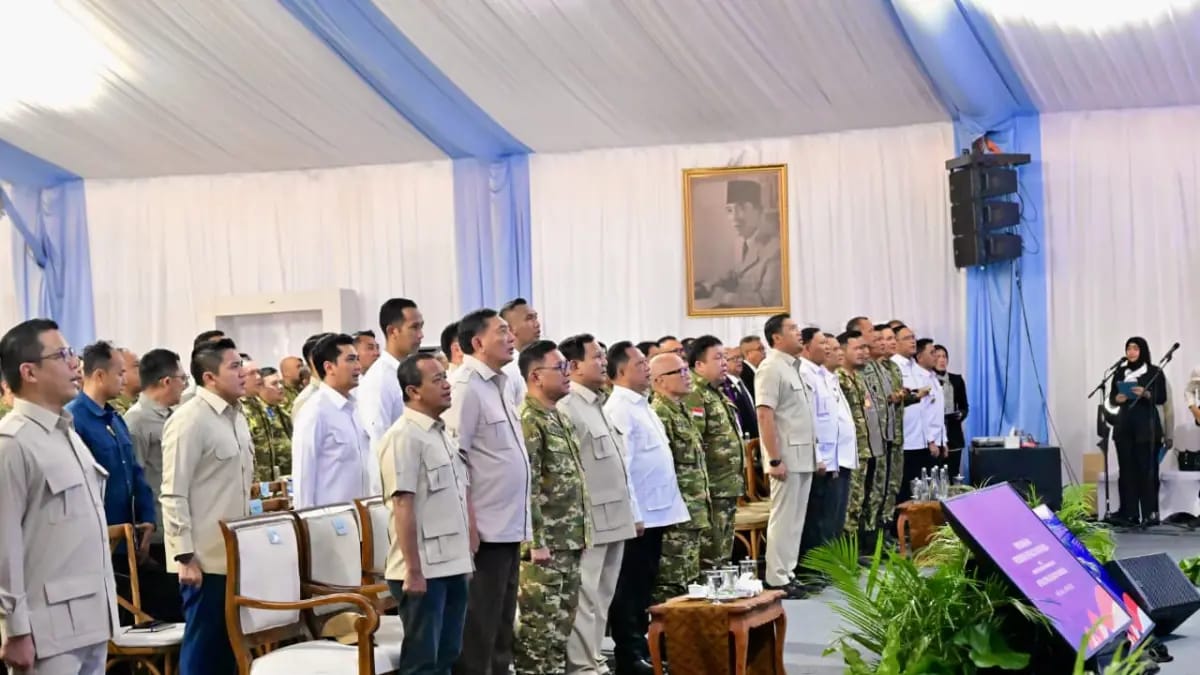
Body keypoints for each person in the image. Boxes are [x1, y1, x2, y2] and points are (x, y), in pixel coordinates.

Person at [0, 319, 119, 674]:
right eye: (62, 355)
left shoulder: (66, 434)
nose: (74, 364)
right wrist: (15, 629)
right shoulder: (12, 444)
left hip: (90, 619)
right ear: (29, 372)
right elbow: (4, 544)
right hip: (45, 630)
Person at [67, 342, 182, 623]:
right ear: (99, 375)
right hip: (101, 542)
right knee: (116, 622)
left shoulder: (114, 419)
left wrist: (148, 519)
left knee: (156, 615)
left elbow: (135, 472)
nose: (125, 379)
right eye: (119, 373)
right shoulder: (74, 420)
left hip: (131, 541)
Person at [445, 309, 532, 675]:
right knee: (479, 624)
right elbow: (456, 459)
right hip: (484, 528)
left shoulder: (501, 383)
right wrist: (469, 523)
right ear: (478, 342)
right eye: (502, 332)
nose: (511, 338)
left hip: (509, 524)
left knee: (501, 622)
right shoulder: (465, 387)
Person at [161, 338, 253, 675]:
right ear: (209, 377)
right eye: (234, 367)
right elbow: (173, 493)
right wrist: (184, 556)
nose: (243, 373)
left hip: (236, 554)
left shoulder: (237, 416)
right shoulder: (190, 420)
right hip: (204, 559)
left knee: (230, 649)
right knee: (203, 650)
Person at [379, 353, 473, 674]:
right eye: (437, 380)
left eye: (445, 377)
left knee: (448, 653)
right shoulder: (403, 436)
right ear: (413, 391)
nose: (447, 385)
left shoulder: (441, 433)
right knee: (422, 661)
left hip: (452, 563)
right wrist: (413, 570)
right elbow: (403, 504)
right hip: (423, 568)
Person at [556, 335, 639, 675]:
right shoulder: (567, 406)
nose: (604, 363)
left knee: (603, 594)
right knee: (585, 594)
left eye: (604, 357)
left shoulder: (598, 403)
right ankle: (581, 665)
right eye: (597, 357)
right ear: (574, 366)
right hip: (589, 517)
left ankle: (595, 658)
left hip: (614, 513)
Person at [603, 343, 687, 675]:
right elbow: (622, 468)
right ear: (622, 371)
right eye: (640, 364)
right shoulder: (619, 408)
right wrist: (633, 513)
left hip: (656, 511)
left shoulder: (642, 404)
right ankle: (630, 653)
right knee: (630, 588)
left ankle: (643, 650)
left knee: (644, 584)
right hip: (640, 516)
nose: (647, 368)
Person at [514, 342, 591, 675]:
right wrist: (536, 542)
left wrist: (582, 533)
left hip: (568, 540)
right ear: (536, 376)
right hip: (544, 547)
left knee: (561, 631)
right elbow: (527, 486)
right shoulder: (529, 420)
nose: (567, 373)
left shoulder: (559, 416)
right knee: (538, 634)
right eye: (560, 368)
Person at [755, 314, 815, 597]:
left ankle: (788, 572)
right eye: (792, 328)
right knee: (783, 518)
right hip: (785, 457)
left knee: (795, 520)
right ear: (776, 337)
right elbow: (765, 415)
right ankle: (777, 577)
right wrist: (774, 458)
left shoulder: (794, 367)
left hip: (802, 454)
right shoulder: (770, 368)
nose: (799, 332)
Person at [648, 353, 711, 603]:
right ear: (660, 380)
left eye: (686, 370)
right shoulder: (660, 413)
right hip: (676, 512)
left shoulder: (680, 409)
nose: (688, 376)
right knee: (672, 581)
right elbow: (663, 468)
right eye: (680, 372)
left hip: (693, 508)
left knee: (690, 577)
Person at [682, 336, 744, 571]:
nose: (724, 363)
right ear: (699, 365)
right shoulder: (694, 393)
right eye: (717, 358)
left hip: (726, 485)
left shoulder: (715, 391)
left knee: (722, 549)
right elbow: (694, 442)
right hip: (712, 487)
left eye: (725, 357)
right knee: (711, 553)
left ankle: (722, 586)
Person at [291, 334, 372, 509]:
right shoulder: (314, 411)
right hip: (332, 519)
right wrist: (307, 520)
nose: (358, 366)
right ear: (329, 367)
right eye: (350, 360)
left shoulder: (356, 408)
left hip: (362, 515)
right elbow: (303, 476)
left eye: (357, 359)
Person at [124, 348, 188, 560]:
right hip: (158, 532)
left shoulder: (175, 416)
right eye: (182, 379)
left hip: (179, 524)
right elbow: (134, 480)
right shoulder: (136, 421)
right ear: (166, 382)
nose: (185, 385)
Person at [358, 299, 425, 491]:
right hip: (397, 486)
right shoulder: (380, 378)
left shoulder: (411, 371)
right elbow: (379, 442)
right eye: (414, 327)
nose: (421, 334)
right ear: (392, 331)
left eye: (421, 327)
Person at [693, 180, 782, 308]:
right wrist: (707, 286)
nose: (734, 217)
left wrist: (724, 297)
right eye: (729, 210)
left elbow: (767, 303)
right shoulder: (740, 242)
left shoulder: (776, 249)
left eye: (742, 208)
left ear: (759, 211)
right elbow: (736, 274)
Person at [1109, 337, 1169, 526]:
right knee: (1126, 471)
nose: (1131, 352)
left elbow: (1162, 397)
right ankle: (1129, 513)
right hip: (1124, 427)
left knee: (1147, 471)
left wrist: (1146, 393)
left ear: (1142, 350)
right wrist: (1117, 399)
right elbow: (1111, 398)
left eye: (1135, 348)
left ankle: (1150, 513)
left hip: (1146, 428)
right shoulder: (1120, 372)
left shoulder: (1154, 372)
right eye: (1128, 348)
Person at [499, 298, 543, 408]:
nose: (537, 324)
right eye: (529, 319)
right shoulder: (507, 369)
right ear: (510, 329)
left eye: (536, 318)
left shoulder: (541, 360)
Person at [932, 345, 968, 474]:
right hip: (935, 436)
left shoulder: (956, 380)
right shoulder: (928, 380)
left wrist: (961, 414)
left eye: (944, 356)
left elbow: (964, 406)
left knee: (953, 473)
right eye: (938, 356)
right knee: (936, 473)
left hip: (953, 433)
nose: (942, 360)